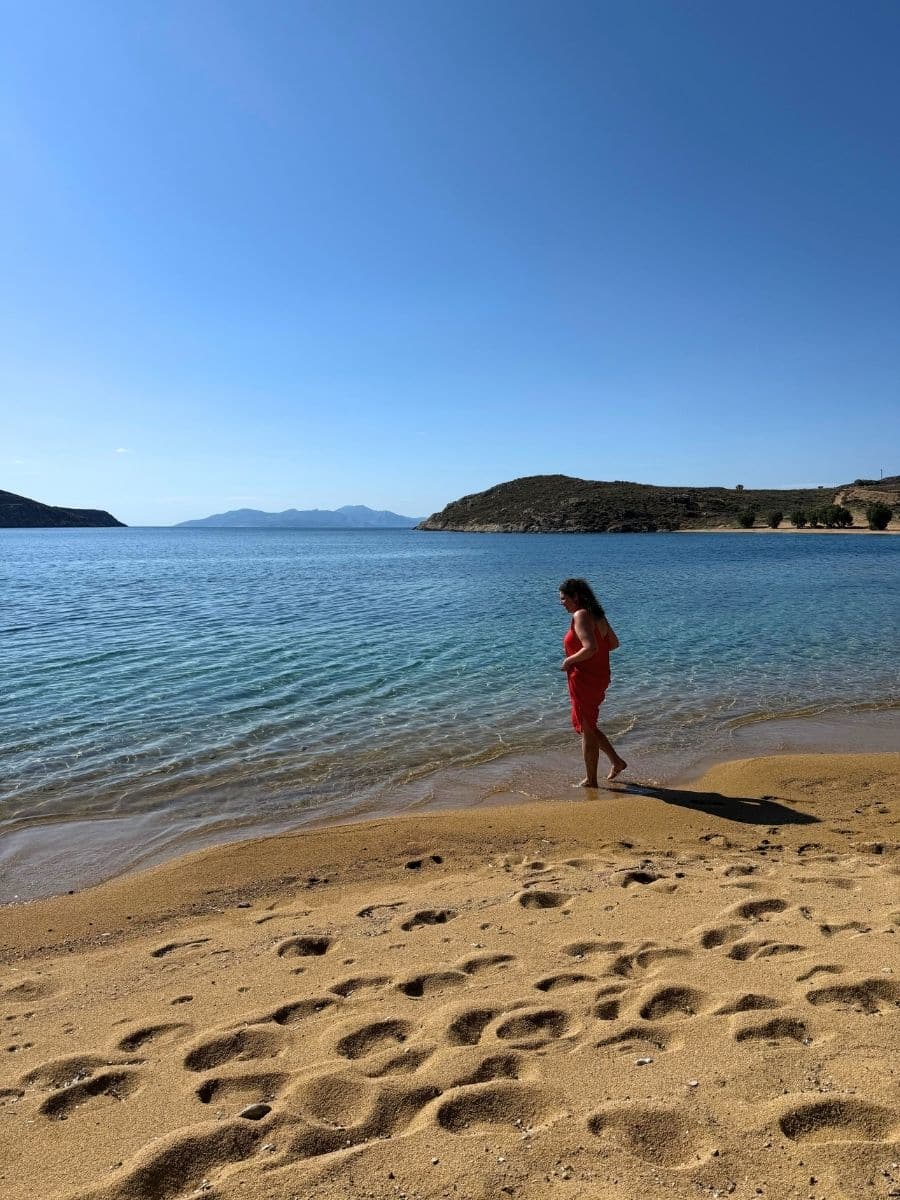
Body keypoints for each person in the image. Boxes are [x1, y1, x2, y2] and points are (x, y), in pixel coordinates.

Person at [558, 577, 627, 787]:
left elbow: (591, 648)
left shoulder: (581, 615)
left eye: (563, 598)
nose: (561, 602)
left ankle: (591, 780)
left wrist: (569, 660)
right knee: (589, 726)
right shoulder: (597, 615)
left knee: (587, 729)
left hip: (585, 678)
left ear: (575, 596)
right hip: (599, 675)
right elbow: (613, 643)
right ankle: (616, 761)